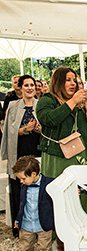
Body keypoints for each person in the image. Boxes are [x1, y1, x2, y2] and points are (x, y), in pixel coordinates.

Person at [36, 66, 87, 251]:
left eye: (75, 80)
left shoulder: (78, 104)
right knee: (60, 206)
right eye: (68, 80)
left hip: (80, 159)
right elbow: (49, 119)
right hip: (57, 160)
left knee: (81, 202)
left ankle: (83, 249)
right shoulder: (48, 99)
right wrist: (72, 103)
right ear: (58, 82)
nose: (73, 84)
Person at [1, 74, 42, 238]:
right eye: (26, 85)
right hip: (19, 148)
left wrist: (37, 129)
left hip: (37, 148)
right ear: (20, 87)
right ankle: (19, 226)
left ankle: (39, 225)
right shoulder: (13, 105)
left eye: (32, 85)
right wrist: (25, 129)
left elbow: (45, 130)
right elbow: (9, 132)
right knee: (19, 187)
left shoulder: (41, 105)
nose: (30, 88)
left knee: (37, 185)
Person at [13, 156, 54, 251]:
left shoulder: (50, 183)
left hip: (43, 225)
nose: (21, 181)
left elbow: (62, 192)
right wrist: (18, 219)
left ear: (33, 174)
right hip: (26, 225)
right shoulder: (25, 185)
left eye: (23, 178)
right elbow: (22, 204)